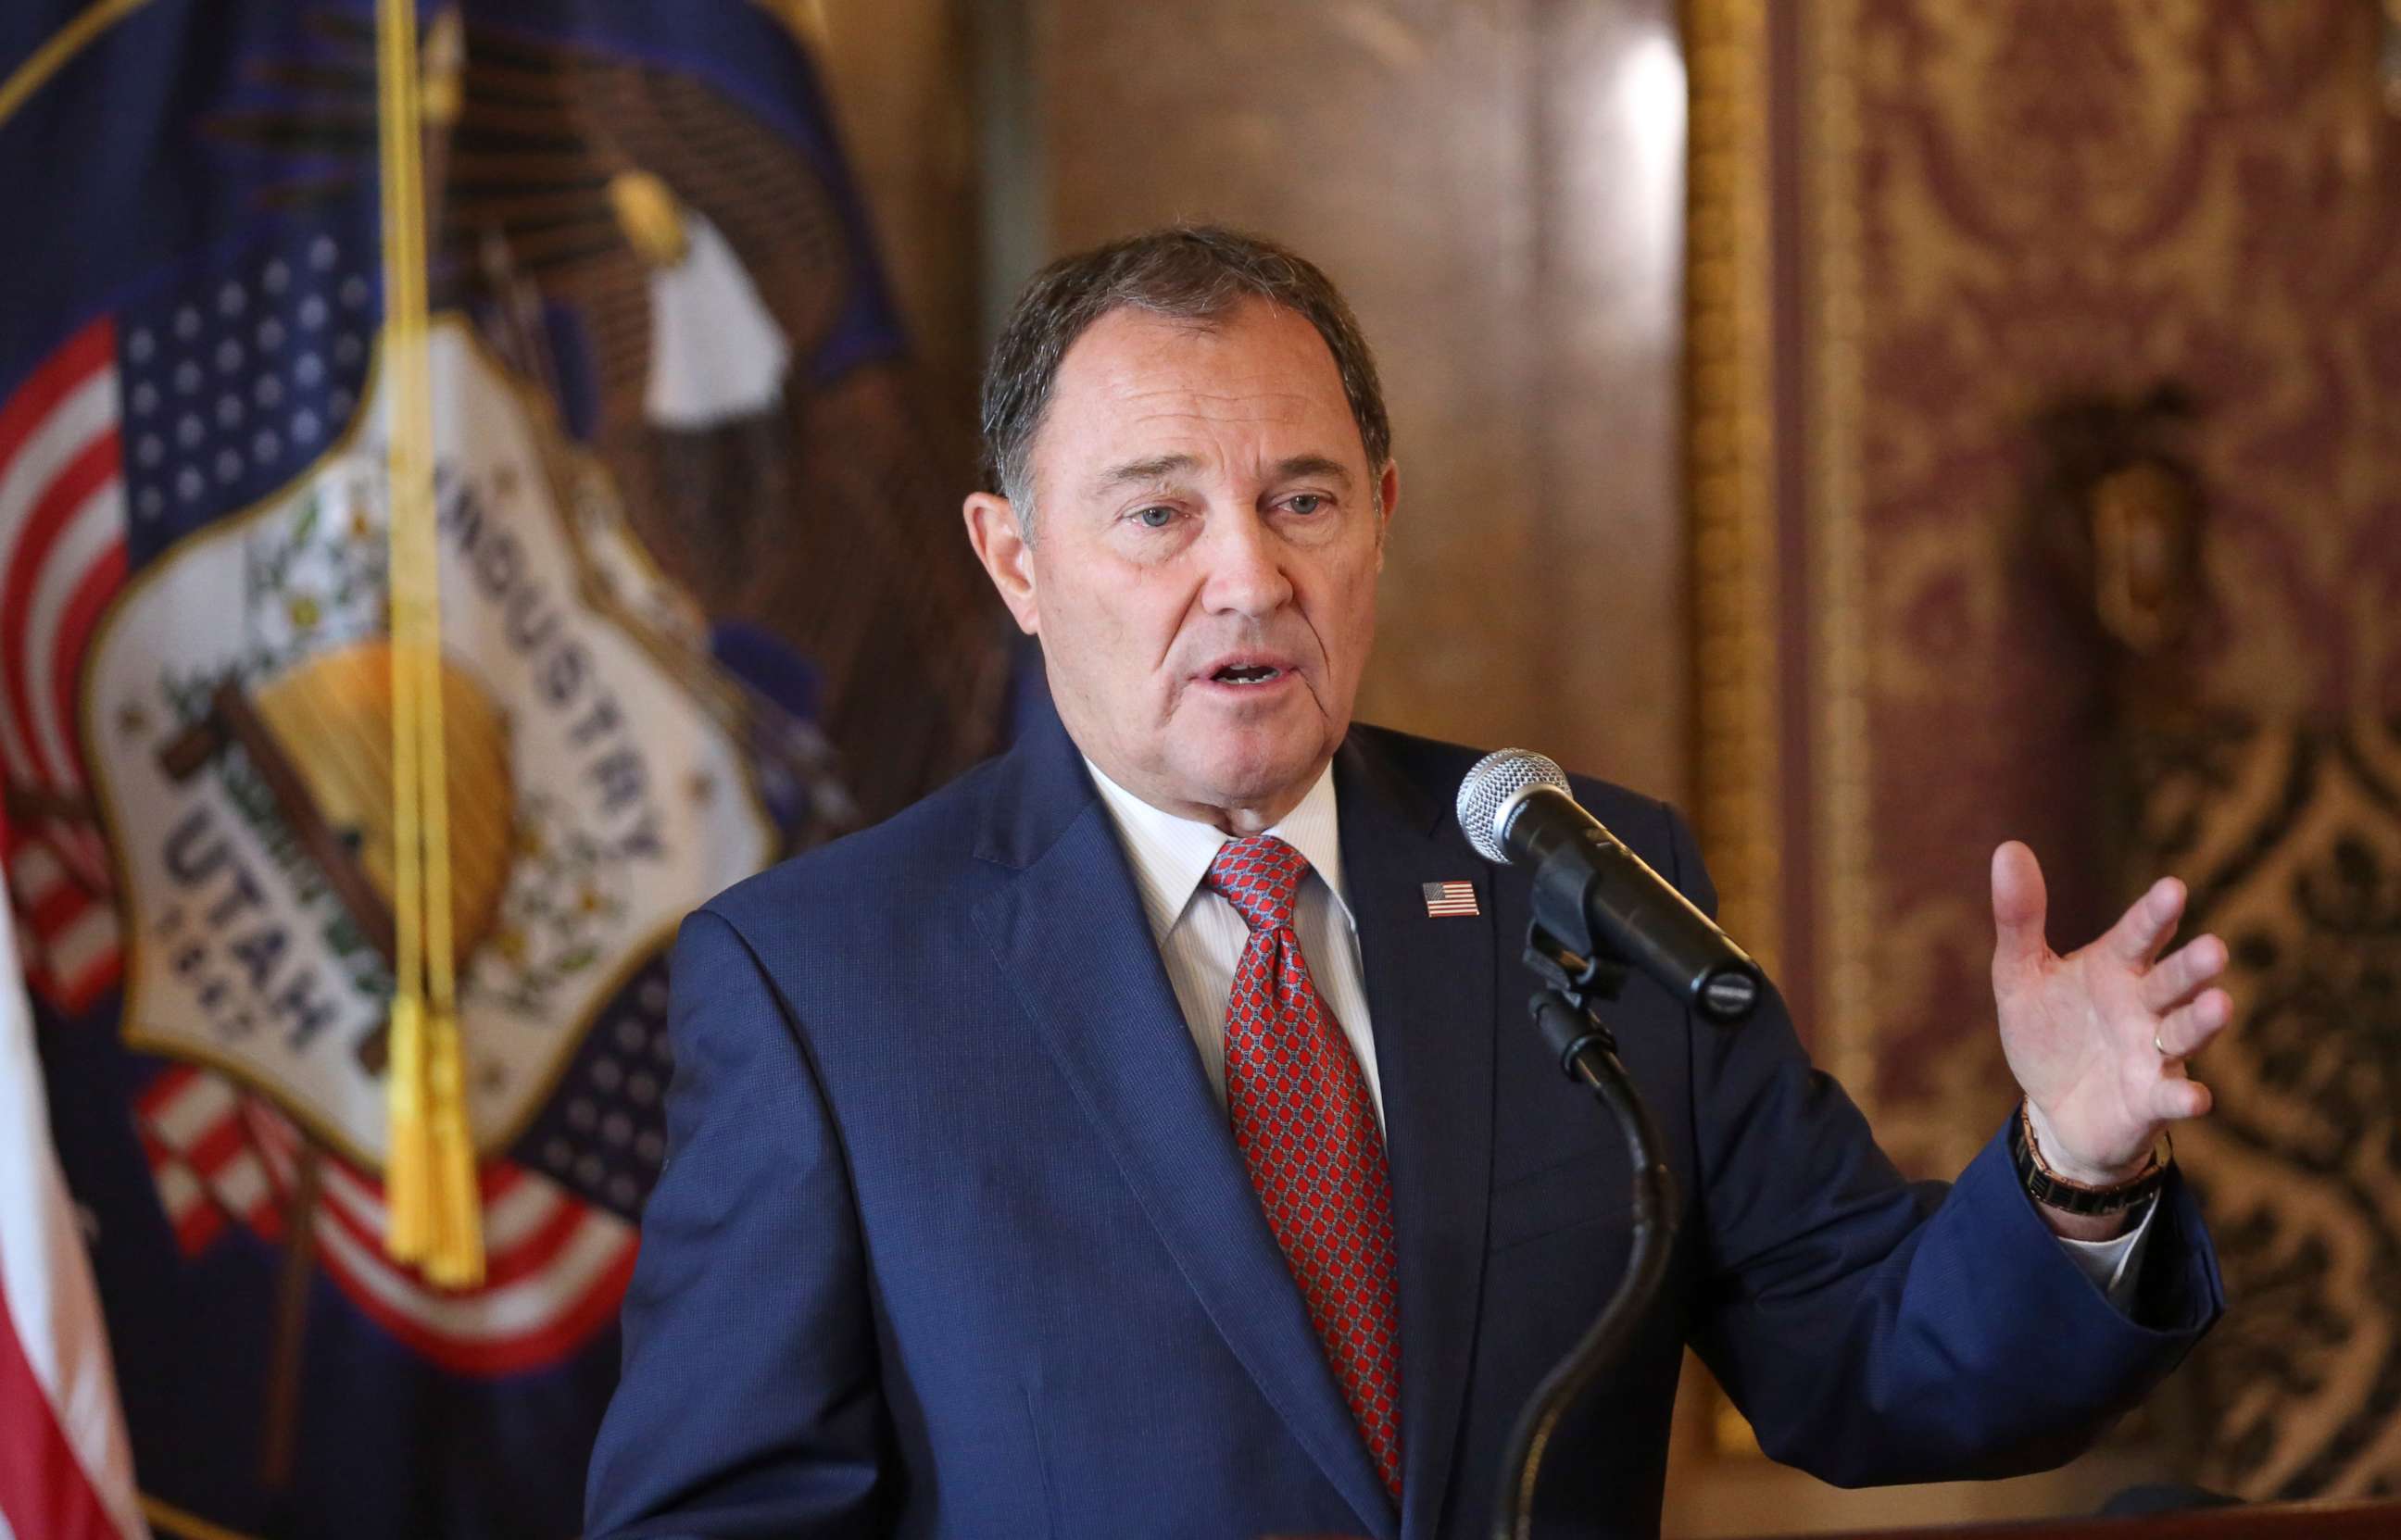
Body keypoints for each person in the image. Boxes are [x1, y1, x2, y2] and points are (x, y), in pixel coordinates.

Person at [584, 227, 2227, 1540]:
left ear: (1378, 518)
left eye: (1301, 500)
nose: (1250, 574)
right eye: (1160, 514)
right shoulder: (822, 982)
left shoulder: (1583, 877)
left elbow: (1874, 1364)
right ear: (1017, 561)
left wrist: (2073, 1171)